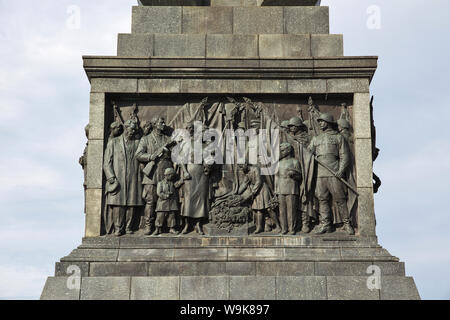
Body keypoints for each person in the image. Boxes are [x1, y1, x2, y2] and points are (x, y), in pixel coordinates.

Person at [308, 113, 354, 235]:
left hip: (334, 172)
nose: (320, 124)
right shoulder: (316, 139)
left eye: (322, 121)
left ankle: (347, 223)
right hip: (320, 173)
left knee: (340, 199)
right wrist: (308, 154)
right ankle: (325, 224)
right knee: (322, 199)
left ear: (328, 123)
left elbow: (345, 156)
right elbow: (308, 154)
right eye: (319, 122)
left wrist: (340, 170)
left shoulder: (339, 138)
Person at [103, 119, 144, 236]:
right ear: (126, 128)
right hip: (118, 178)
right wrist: (110, 177)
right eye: (131, 129)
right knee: (118, 205)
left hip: (134, 178)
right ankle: (118, 228)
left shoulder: (137, 143)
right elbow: (107, 162)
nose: (133, 132)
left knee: (132, 204)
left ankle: (129, 227)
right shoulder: (113, 142)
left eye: (135, 130)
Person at [136, 117, 174, 235]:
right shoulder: (146, 139)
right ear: (154, 124)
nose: (164, 124)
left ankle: (167, 226)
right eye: (161, 122)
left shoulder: (168, 139)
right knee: (150, 202)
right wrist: (151, 156)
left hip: (165, 173)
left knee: (168, 200)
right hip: (151, 174)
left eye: (163, 122)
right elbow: (139, 155)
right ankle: (148, 226)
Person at [178, 122, 209, 235]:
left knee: (201, 200)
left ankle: (198, 225)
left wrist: (209, 165)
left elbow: (210, 160)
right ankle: (187, 225)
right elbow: (181, 160)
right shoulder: (188, 144)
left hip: (202, 175)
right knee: (188, 200)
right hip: (190, 174)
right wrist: (185, 172)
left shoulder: (205, 146)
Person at [238, 163, 277, 234]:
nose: (241, 168)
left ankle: (278, 226)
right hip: (256, 192)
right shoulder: (247, 173)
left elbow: (258, 182)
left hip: (262, 189)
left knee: (269, 208)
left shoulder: (256, 169)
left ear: (246, 164)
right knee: (258, 209)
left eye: (241, 166)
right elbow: (244, 184)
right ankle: (259, 227)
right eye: (240, 167)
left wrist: (252, 193)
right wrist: (237, 193)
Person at [275, 143, 302, 235]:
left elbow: (300, 177)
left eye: (283, 150)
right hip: (281, 187)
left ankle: (292, 228)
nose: (281, 152)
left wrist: (294, 174)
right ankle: (284, 228)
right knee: (282, 210)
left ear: (288, 150)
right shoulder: (279, 163)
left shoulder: (295, 162)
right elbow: (276, 177)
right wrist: (276, 189)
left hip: (292, 188)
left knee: (291, 210)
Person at [154, 168, 183, 236]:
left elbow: (177, 185)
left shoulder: (172, 183)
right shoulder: (160, 183)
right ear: (167, 175)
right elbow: (159, 193)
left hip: (171, 203)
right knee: (160, 217)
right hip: (162, 204)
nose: (172, 177)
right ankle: (158, 228)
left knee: (171, 217)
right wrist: (166, 196)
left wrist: (182, 180)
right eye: (171, 175)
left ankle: (172, 228)